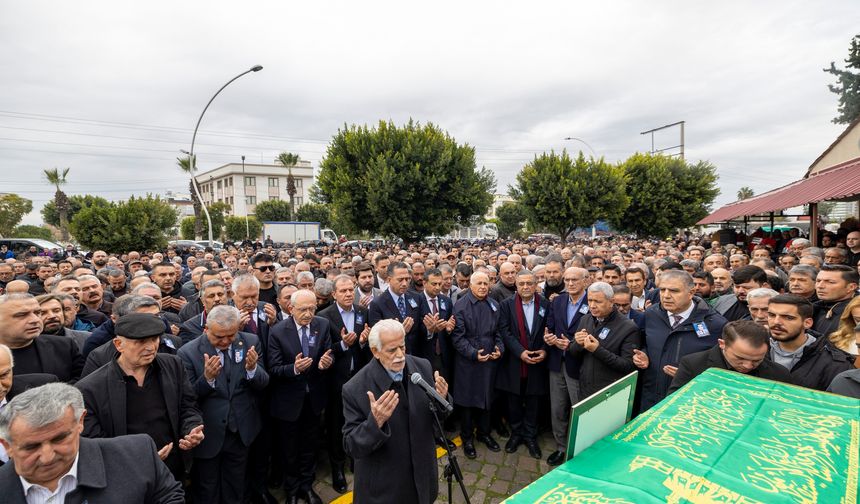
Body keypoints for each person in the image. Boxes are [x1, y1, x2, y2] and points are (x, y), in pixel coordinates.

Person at [0, 383, 185, 503]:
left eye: (59, 439)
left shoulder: (136, 456)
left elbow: (170, 498)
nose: (47, 457)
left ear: (80, 422)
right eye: (31, 447)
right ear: (6, 445)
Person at [75, 313, 204, 481]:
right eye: (141, 342)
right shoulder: (90, 389)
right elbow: (94, 442)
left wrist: (191, 429)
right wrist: (140, 458)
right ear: (118, 344)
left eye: (155, 339)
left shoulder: (173, 365)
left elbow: (188, 406)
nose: (151, 347)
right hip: (126, 475)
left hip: (173, 469)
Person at [342, 319, 449, 504]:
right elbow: (351, 446)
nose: (400, 355)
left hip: (422, 479)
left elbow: (437, 417)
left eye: (402, 346)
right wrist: (374, 423)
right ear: (375, 351)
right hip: (386, 489)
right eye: (392, 350)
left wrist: (442, 398)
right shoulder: (354, 388)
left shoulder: (422, 366)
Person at [178, 305, 269, 504]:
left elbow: (263, 383)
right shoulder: (187, 352)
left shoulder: (250, 342)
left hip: (240, 430)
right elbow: (187, 398)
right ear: (206, 330)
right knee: (207, 488)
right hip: (208, 434)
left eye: (231, 335)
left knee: (236, 484)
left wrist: (253, 369)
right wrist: (207, 380)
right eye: (219, 337)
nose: (226, 341)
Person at [266, 289, 333, 504]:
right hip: (288, 402)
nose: (308, 313)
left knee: (309, 446)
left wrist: (325, 362)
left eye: (312, 308)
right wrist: (293, 369)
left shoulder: (321, 325)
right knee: (289, 449)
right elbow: (273, 368)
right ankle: (292, 490)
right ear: (290, 308)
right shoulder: (277, 331)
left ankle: (307, 486)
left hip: (313, 399)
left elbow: (327, 350)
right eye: (303, 309)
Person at [636, 270, 726, 411]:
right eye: (662, 290)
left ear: (691, 293)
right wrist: (643, 354)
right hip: (651, 397)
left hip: (690, 401)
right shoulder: (651, 314)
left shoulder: (715, 324)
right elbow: (644, 342)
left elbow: (721, 367)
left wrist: (689, 374)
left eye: (674, 291)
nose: (666, 296)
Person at [317, 274, 371, 493]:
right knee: (336, 425)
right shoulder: (323, 316)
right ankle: (337, 467)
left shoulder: (362, 312)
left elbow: (365, 348)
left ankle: (355, 459)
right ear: (334, 294)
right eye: (343, 291)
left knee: (358, 421)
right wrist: (343, 345)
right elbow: (323, 349)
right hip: (335, 382)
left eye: (351, 290)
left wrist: (364, 341)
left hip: (359, 378)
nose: (349, 294)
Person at [496, 270, 548, 459]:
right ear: (516, 286)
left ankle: (530, 435)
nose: (525, 287)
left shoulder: (545, 304)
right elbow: (504, 330)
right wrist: (520, 352)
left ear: (536, 284)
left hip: (537, 361)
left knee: (534, 400)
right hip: (513, 361)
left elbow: (549, 329)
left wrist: (544, 349)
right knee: (514, 400)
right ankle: (516, 433)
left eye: (529, 283)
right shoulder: (506, 305)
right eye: (521, 284)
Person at [451, 271, 504, 460]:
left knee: (486, 399)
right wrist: (473, 354)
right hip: (469, 362)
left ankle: (484, 433)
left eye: (486, 283)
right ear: (470, 286)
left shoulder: (494, 305)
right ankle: (467, 438)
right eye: (479, 283)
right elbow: (457, 337)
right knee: (467, 402)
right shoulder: (460, 306)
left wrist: (500, 348)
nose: (483, 286)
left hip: (489, 360)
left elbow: (498, 331)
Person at [543, 266, 589, 466]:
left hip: (580, 365)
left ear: (585, 281)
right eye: (567, 279)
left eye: (575, 280)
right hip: (556, 362)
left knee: (580, 408)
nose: (570, 283)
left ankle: (581, 449)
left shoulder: (592, 301)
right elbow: (550, 326)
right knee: (558, 408)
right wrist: (549, 338)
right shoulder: (558, 301)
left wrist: (572, 345)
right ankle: (561, 447)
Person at [668, 320, 791, 392]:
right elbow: (675, 404)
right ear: (722, 344)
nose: (748, 366)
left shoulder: (779, 374)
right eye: (740, 358)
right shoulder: (693, 365)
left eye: (757, 360)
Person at [767, 294, 855, 391]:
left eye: (788, 317)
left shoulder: (835, 364)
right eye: (771, 315)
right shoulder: (757, 346)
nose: (776, 322)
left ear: (807, 323)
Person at [569, 282, 640, 399]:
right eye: (590, 300)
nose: (592, 305)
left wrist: (597, 350)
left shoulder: (629, 328)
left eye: (597, 301)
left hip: (611, 393)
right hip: (586, 390)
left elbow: (628, 366)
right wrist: (577, 343)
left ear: (611, 302)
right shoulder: (585, 319)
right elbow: (573, 353)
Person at [0, 294, 83, 383]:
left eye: (37, 313)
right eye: (22, 315)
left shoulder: (65, 346)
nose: (35, 320)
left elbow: (81, 381)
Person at [368, 262, 428, 359]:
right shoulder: (377, 304)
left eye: (407, 279)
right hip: (393, 357)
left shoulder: (416, 297)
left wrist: (430, 329)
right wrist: (399, 332)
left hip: (416, 356)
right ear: (389, 280)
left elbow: (422, 327)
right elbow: (377, 338)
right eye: (400, 280)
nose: (404, 283)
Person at [812, 264, 859, 337]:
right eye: (818, 281)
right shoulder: (813, 307)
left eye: (830, 282)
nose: (820, 286)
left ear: (851, 287)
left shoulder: (855, 314)